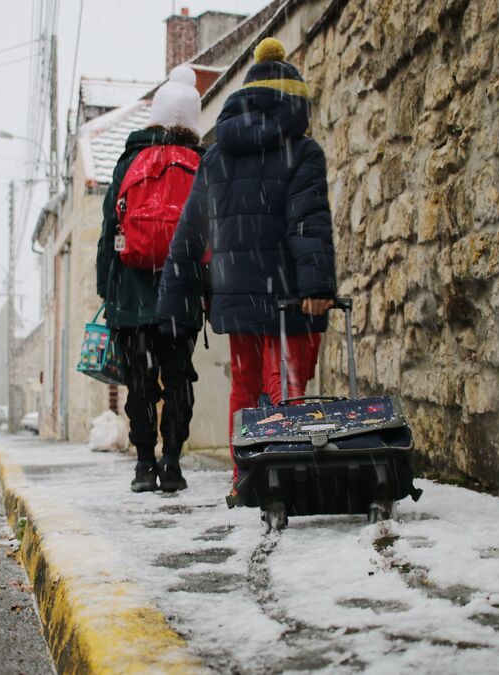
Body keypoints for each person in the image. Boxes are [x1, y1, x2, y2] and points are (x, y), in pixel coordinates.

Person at [156, 38, 336, 485]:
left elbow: (191, 230)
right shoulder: (303, 151)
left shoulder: (217, 154)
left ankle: (246, 472)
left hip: (235, 290)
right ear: (294, 101)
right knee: (286, 383)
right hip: (289, 291)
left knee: (245, 382)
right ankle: (286, 468)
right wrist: (317, 286)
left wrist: (172, 300)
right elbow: (306, 222)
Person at [96, 65, 205, 493]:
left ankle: (144, 464)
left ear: (156, 117)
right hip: (181, 294)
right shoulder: (199, 162)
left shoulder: (129, 161)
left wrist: (107, 289)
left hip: (132, 292)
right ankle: (173, 462)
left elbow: (109, 229)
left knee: (140, 383)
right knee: (179, 377)